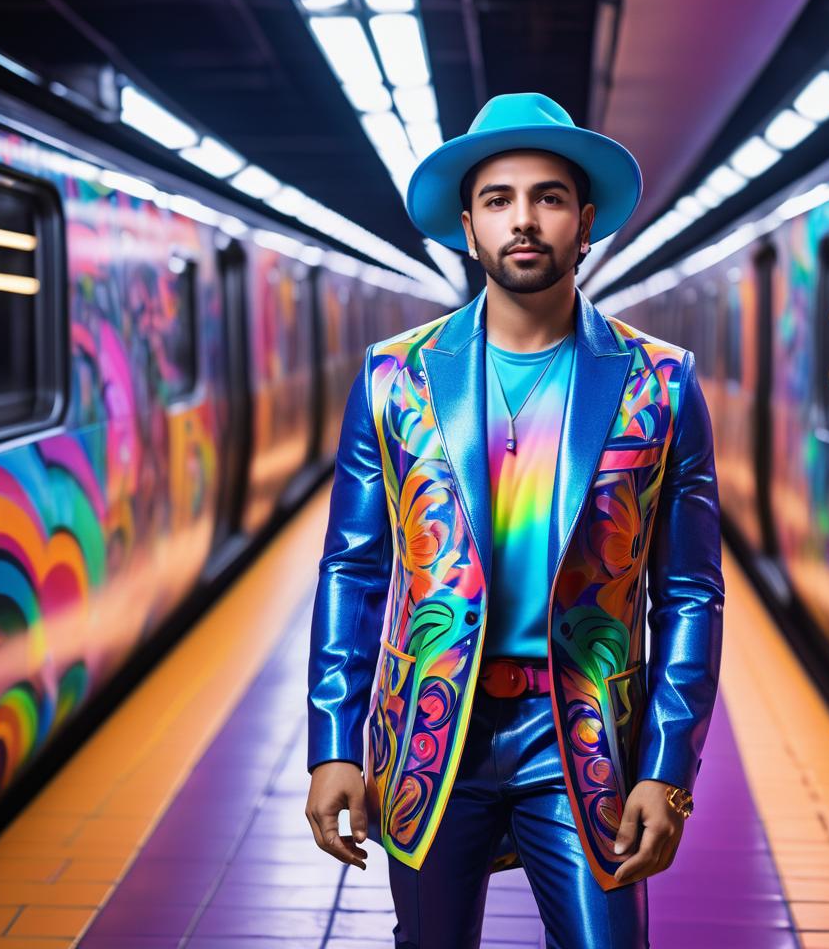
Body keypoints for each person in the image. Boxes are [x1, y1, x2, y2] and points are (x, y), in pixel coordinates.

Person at [304, 92, 724, 949]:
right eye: (498, 200)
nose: (523, 220)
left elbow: (689, 592)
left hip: (585, 732)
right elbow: (353, 569)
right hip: (431, 730)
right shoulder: (395, 379)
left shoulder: (662, 383)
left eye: (549, 197)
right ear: (469, 227)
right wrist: (333, 742)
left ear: (586, 220)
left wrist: (669, 767)